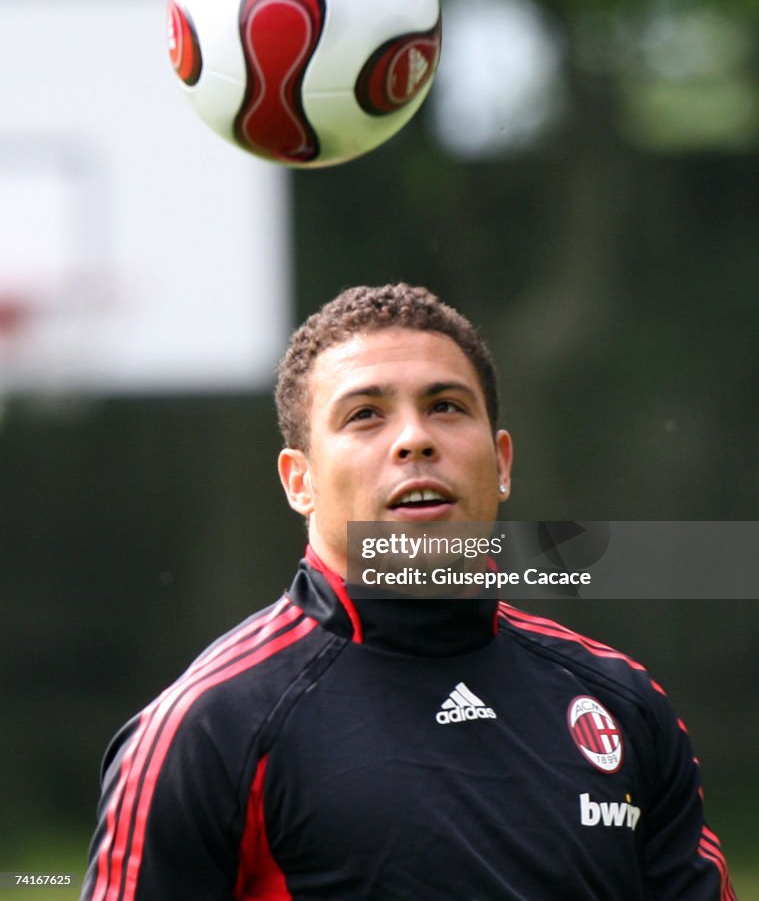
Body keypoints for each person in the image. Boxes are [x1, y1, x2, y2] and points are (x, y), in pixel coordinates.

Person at [81, 283, 736, 900]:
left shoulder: (622, 703)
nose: (415, 439)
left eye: (445, 407)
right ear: (298, 481)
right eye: (365, 415)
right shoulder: (210, 728)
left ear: (501, 462)